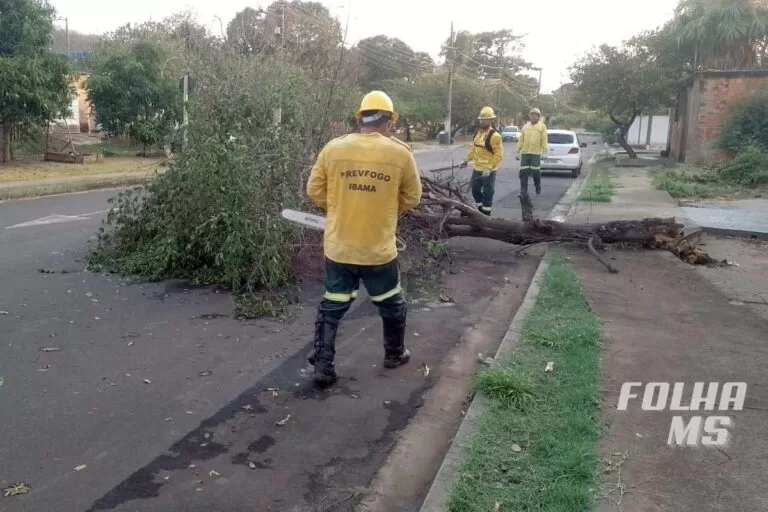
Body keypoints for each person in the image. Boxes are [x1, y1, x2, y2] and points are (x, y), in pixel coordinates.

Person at [305, 90, 423, 386]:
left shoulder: (334, 149)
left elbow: (314, 191)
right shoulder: (399, 153)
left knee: (333, 304)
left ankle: (323, 365)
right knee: (391, 303)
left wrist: (340, 206)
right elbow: (413, 197)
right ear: (389, 122)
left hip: (339, 247)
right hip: (378, 249)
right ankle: (394, 353)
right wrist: (382, 208)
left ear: (361, 119)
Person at [459, 107, 503, 216]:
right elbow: (474, 150)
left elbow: (498, 155)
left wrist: (490, 168)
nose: (482, 121)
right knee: (475, 191)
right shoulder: (478, 133)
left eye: (485, 119)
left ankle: (486, 215)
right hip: (477, 168)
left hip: (488, 170)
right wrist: (465, 160)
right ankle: (480, 210)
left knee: (488, 193)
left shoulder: (495, 136)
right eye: (481, 119)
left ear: (491, 120)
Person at [516, 107, 548, 195]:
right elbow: (521, 139)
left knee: (535, 172)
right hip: (525, 153)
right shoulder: (525, 126)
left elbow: (544, 139)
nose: (534, 117)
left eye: (536, 115)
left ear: (539, 117)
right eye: (532, 115)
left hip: (536, 153)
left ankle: (537, 186)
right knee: (523, 172)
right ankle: (523, 190)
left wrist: (544, 152)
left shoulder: (542, 127)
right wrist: (517, 151)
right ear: (530, 116)